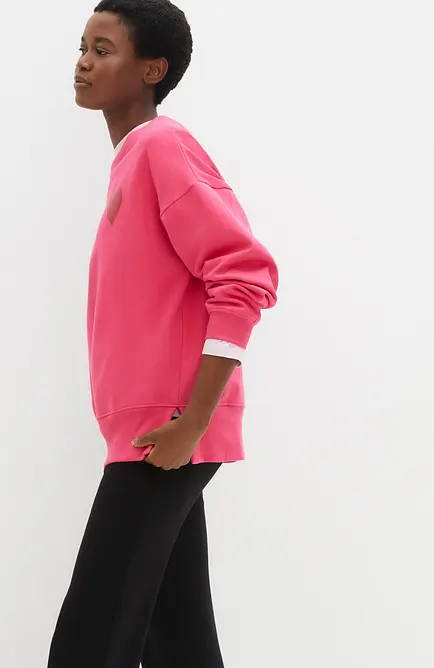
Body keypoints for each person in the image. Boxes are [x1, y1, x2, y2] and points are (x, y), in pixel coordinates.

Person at [47, 1, 279, 666]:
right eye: (82, 47)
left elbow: (244, 274)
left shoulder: (160, 145)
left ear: (153, 69)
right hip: (155, 436)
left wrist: (191, 423)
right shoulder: (131, 161)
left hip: (166, 434)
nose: (83, 63)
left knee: (91, 639)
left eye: (103, 50)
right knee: (178, 640)